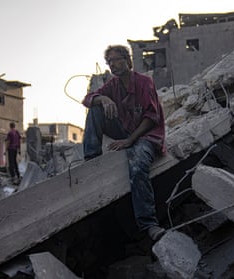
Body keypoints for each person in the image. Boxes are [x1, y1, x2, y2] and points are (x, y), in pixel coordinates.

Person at [81, 45, 166, 241]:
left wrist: (129, 140)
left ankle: (149, 224)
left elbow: (151, 117)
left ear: (128, 61)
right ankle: (91, 159)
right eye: (109, 62)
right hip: (125, 129)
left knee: (137, 166)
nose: (112, 65)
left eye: (116, 59)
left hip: (146, 135)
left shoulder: (145, 82)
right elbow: (86, 99)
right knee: (95, 109)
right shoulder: (113, 85)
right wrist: (102, 98)